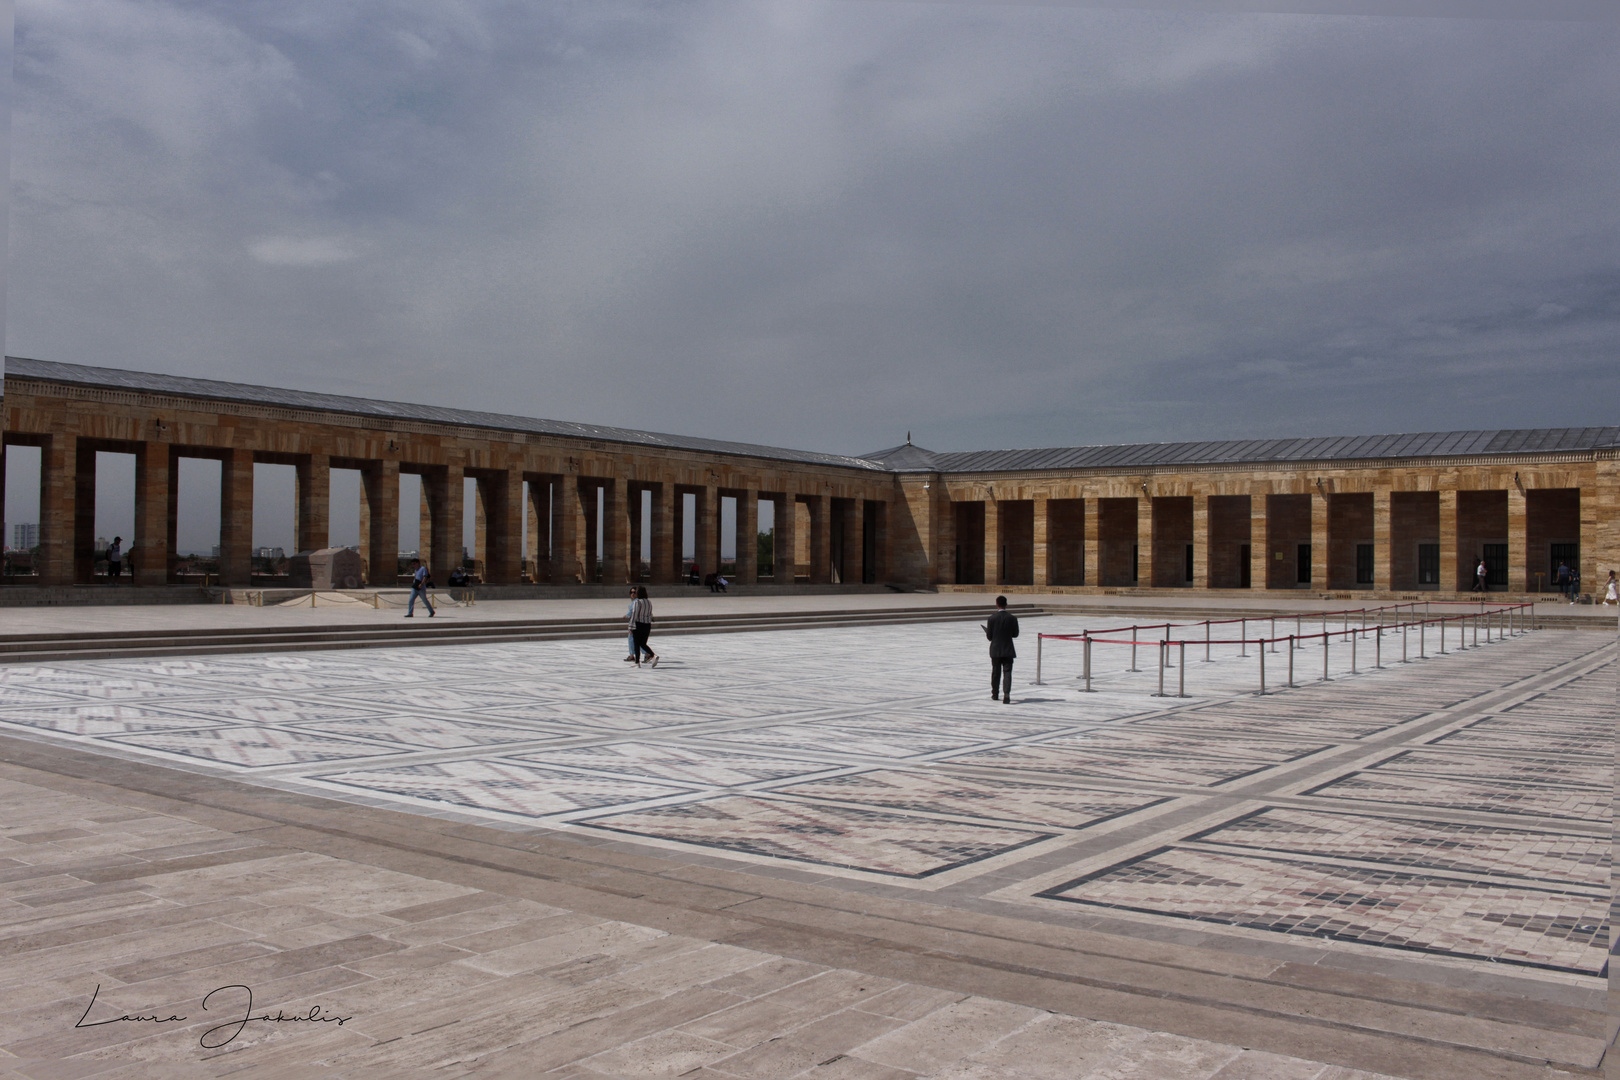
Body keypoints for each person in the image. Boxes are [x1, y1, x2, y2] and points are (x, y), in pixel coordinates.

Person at [983, 595, 1019, 704]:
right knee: (1007, 672)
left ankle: (995, 694)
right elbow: (1015, 634)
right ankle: (1007, 694)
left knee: (996, 672)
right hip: (1008, 649)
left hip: (996, 649)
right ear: (1006, 605)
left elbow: (989, 637)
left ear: (997, 604)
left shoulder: (992, 618)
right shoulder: (1012, 618)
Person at [629, 585, 658, 666]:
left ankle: (637, 662)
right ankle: (653, 655)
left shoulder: (637, 602)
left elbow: (634, 615)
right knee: (643, 643)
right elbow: (650, 614)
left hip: (639, 624)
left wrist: (630, 627)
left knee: (636, 644)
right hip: (647, 625)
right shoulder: (649, 602)